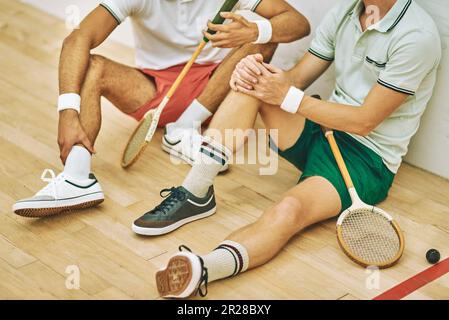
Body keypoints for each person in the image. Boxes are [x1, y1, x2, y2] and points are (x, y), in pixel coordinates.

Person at [148, 0, 441, 298]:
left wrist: (288, 97)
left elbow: (364, 122)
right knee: (254, 83)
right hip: (323, 129)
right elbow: (296, 79)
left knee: (290, 209)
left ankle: (205, 267)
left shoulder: (417, 37)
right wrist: (255, 74)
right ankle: (196, 192)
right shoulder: (346, 12)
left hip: (365, 160)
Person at [12, 0, 310, 217]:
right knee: (94, 67)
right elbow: (79, 38)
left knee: (263, 42)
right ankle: (77, 177)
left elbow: (298, 23)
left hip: (215, 90)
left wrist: (253, 30)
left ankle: (185, 128)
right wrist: (67, 110)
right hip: (155, 92)